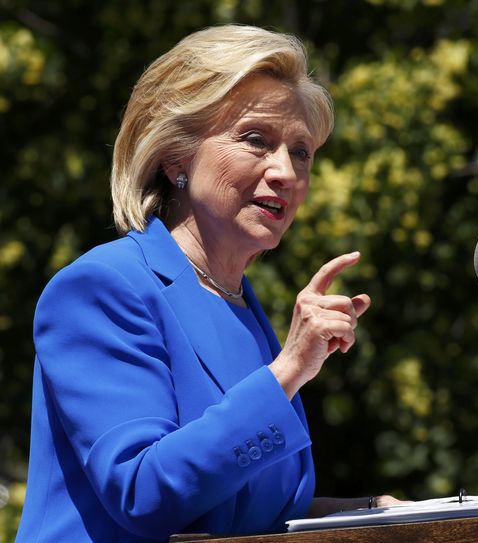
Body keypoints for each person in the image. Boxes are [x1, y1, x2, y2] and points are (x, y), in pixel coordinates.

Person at [16, 24, 401, 542]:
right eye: (256, 140)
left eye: (301, 151)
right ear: (177, 156)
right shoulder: (101, 288)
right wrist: (289, 368)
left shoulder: (239, 304)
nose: (285, 171)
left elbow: (239, 510)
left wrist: (374, 512)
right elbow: (142, 492)